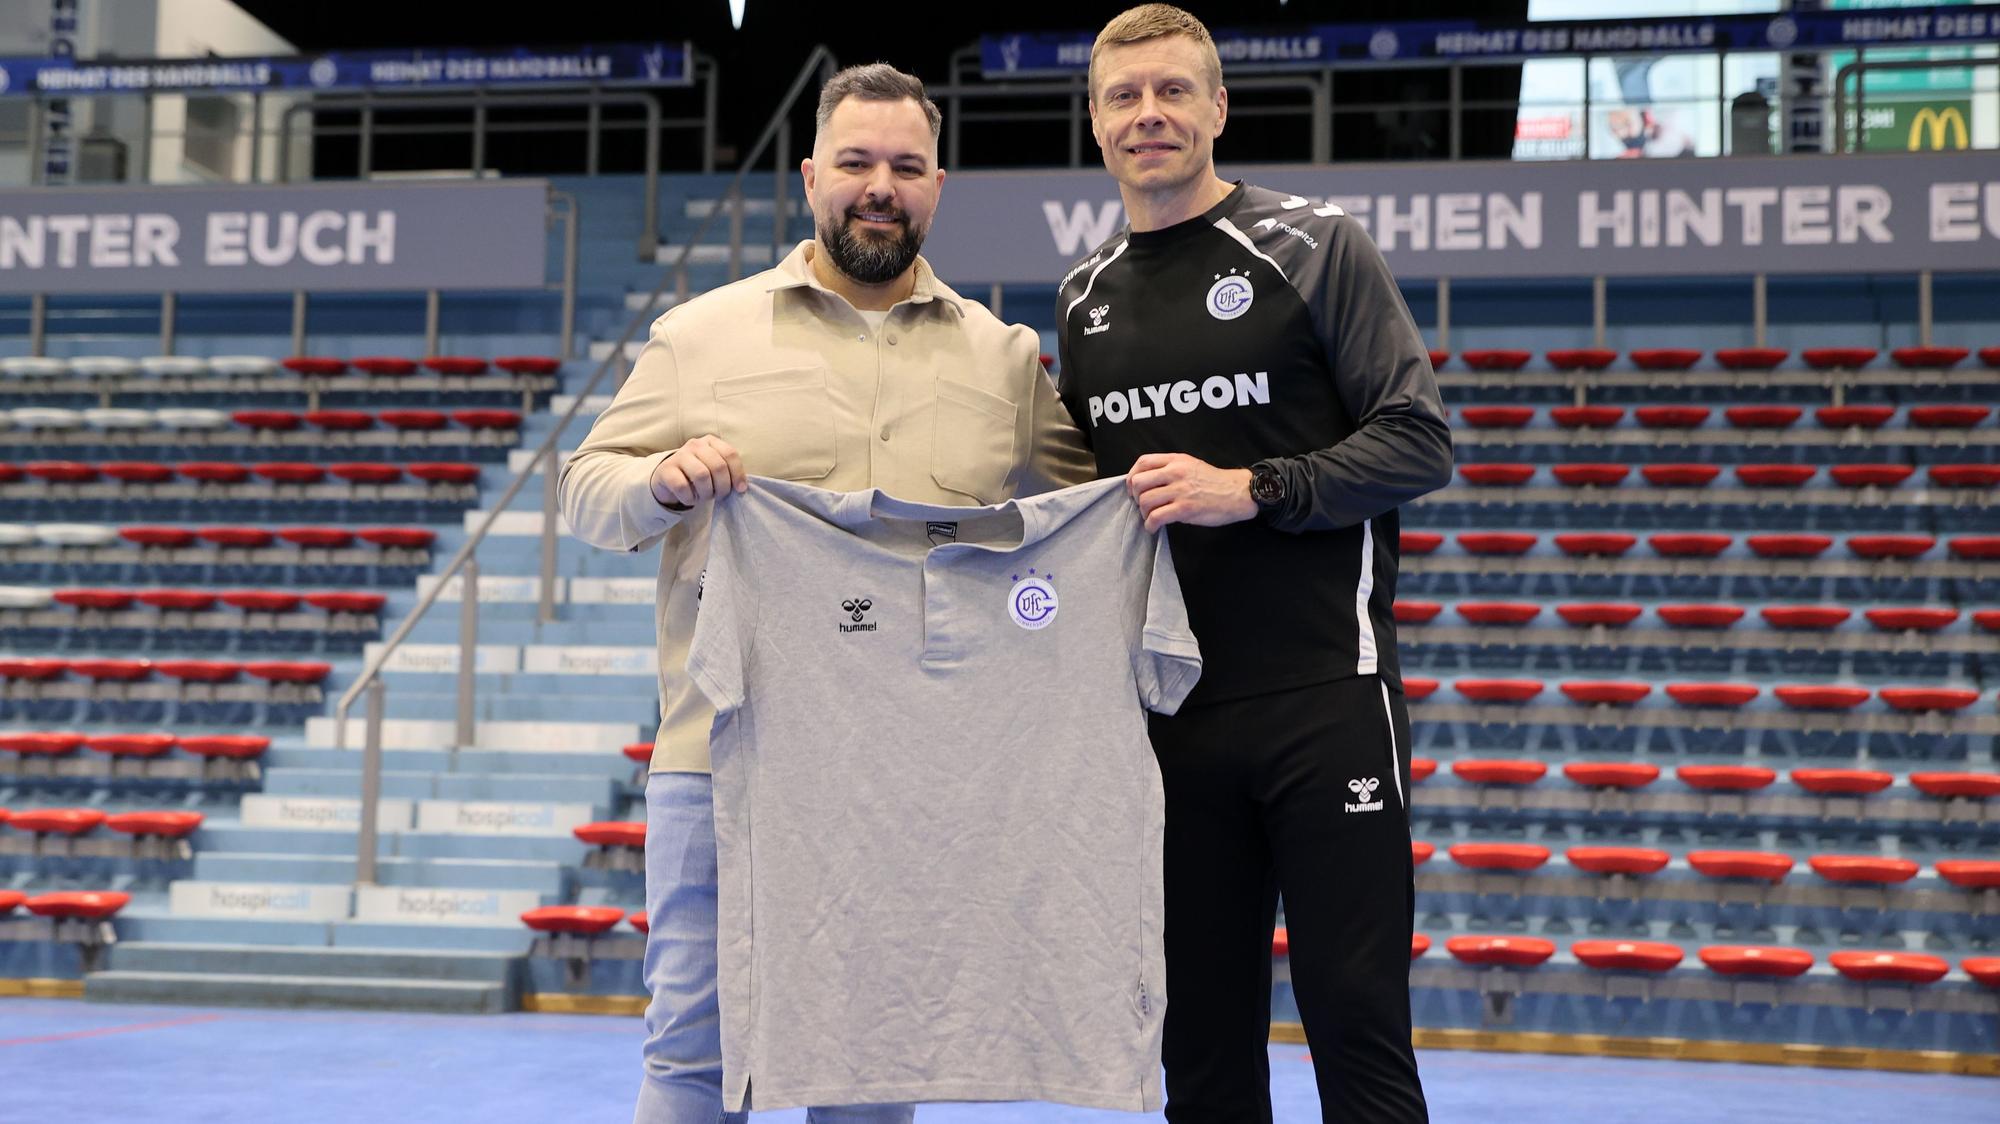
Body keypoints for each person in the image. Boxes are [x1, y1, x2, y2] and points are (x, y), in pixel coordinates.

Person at [560, 62, 1091, 1124]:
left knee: (873, 1069)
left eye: (903, 165)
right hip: (722, 761)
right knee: (694, 1062)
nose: (878, 185)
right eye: (854, 162)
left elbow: (1084, 519)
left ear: (937, 185)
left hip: (912, 781)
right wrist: (662, 483)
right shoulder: (697, 335)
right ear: (810, 176)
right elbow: (586, 490)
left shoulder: (1005, 358)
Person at [1052, 6, 1452, 1122]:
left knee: (1355, 1028)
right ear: (1095, 120)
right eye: (1123, 96)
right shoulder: (1082, 302)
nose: (1148, 115)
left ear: (1217, 107)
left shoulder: (1312, 245)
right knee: (1202, 1052)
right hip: (1172, 720)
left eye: (1172, 91)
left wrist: (1257, 488)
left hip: (1326, 698)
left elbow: (1419, 439)